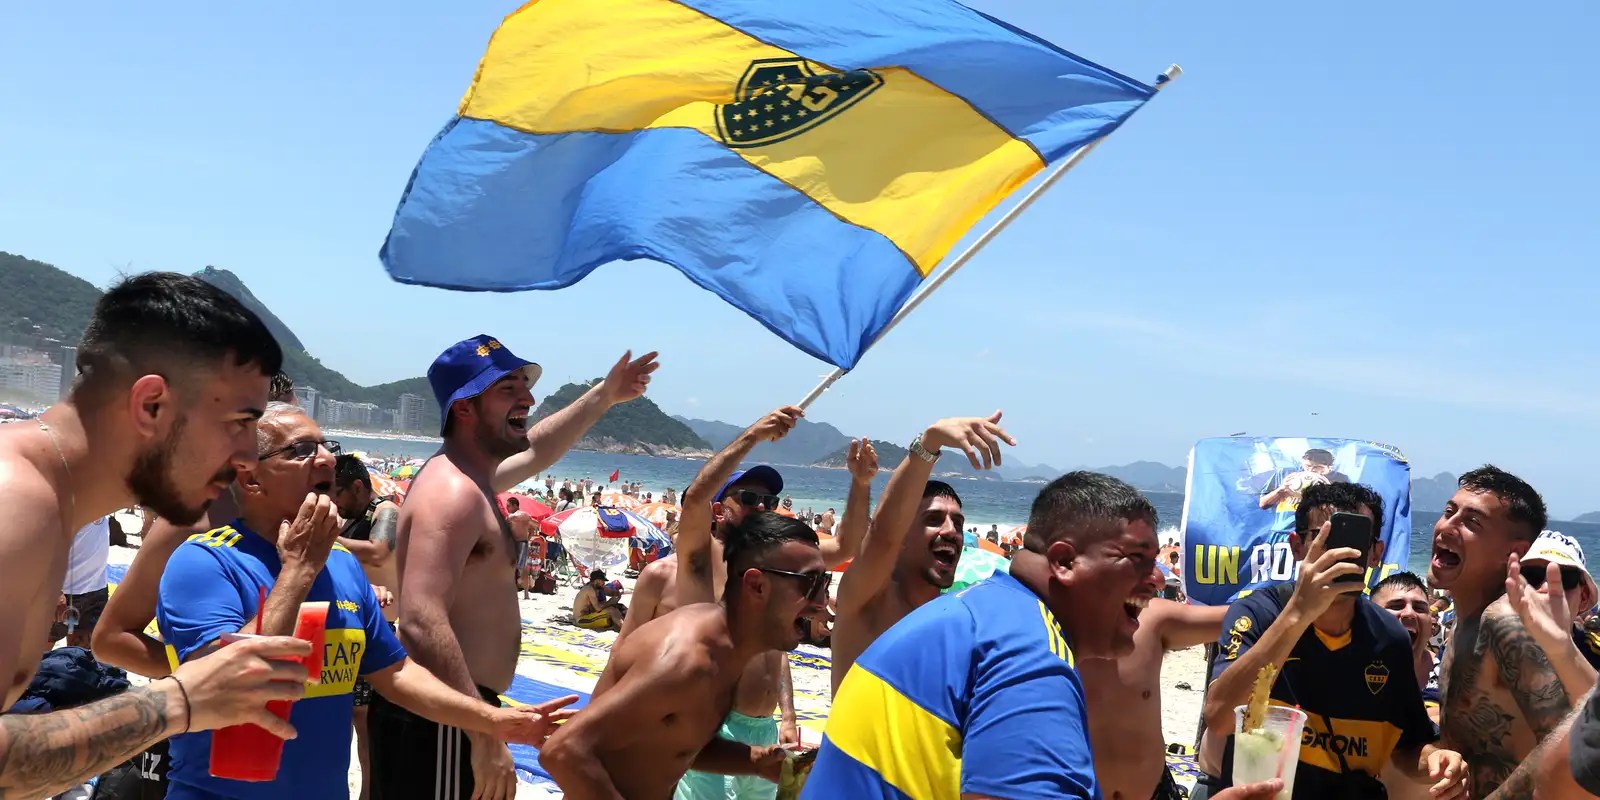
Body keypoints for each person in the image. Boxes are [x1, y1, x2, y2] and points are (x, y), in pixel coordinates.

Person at [154, 402, 575, 799]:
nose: (326, 460)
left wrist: (491, 721)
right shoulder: (206, 562)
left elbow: (396, 673)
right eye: (301, 450)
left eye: (326, 446)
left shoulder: (340, 564)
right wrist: (298, 570)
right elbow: (231, 681)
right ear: (250, 479)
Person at [0, 272, 314, 799]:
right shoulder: (16, 503)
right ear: (151, 405)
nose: (247, 456)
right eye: (240, 421)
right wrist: (181, 702)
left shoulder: (51, 507)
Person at [804, 472, 1279, 800]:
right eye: (1136, 559)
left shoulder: (985, 610)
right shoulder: (1032, 658)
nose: (1156, 579)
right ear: (1065, 561)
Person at [377, 336, 656, 799]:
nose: (527, 397)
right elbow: (423, 620)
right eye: (507, 388)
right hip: (449, 720)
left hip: (459, 713)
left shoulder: (472, 478)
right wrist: (483, 733)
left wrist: (604, 395)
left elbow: (538, 450)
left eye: (524, 385)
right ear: (464, 408)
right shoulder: (452, 493)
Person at [616, 407, 874, 800]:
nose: (762, 507)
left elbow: (845, 547)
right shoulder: (699, 562)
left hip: (763, 726)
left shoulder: (772, 564)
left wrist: (860, 483)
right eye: (749, 498)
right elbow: (697, 497)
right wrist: (751, 436)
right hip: (709, 724)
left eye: (769, 502)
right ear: (720, 510)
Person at [1197, 482, 1466, 800]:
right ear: (1297, 545)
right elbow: (1219, 717)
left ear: (1375, 553)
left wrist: (1435, 759)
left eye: (1355, 541)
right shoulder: (1259, 613)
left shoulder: (1388, 637)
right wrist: (1297, 614)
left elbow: (1408, 744)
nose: (1341, 553)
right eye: (1325, 538)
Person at [540, 512, 827, 797]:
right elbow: (563, 750)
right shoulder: (688, 659)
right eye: (810, 584)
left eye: (824, 583)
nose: (821, 603)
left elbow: (672, 745)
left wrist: (752, 761)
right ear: (756, 586)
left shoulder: (727, 649)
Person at [829, 412, 1014, 694]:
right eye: (933, 519)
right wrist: (930, 443)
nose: (952, 530)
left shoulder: (952, 618)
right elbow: (882, 536)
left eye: (959, 523)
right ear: (902, 535)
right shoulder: (868, 600)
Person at [1431, 467, 1567, 795]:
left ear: (1513, 554)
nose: (1447, 526)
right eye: (1449, 511)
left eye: (1472, 522)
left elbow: (1570, 742)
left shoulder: (1505, 622)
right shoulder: (1464, 623)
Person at [1078, 561, 1228, 800]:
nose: (1159, 577)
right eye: (1135, 557)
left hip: (1156, 792)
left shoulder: (1153, 619)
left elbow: (1246, 617)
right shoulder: (1031, 633)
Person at [329, 453, 402, 800]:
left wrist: (325, 538)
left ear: (357, 487)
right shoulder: (350, 519)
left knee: (366, 722)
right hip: (352, 627)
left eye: (337, 494)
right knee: (348, 717)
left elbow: (379, 552)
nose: (334, 502)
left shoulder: (385, 511)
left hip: (379, 630)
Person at [1372, 572, 1446, 800]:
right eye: (1396, 605)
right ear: (1369, 615)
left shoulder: (1450, 670)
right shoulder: (1350, 669)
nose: (1409, 613)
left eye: (1420, 608)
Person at [1504, 531, 1600, 702]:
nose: (1547, 588)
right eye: (1532, 576)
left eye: (1565, 579)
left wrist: (1564, 653)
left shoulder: (1596, 654)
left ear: (1583, 597)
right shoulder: (1483, 646)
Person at [59, 515, 113, 649]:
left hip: (96, 591)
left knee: (80, 654)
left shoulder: (104, 505)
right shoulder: (73, 506)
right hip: (66, 594)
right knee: (38, 652)